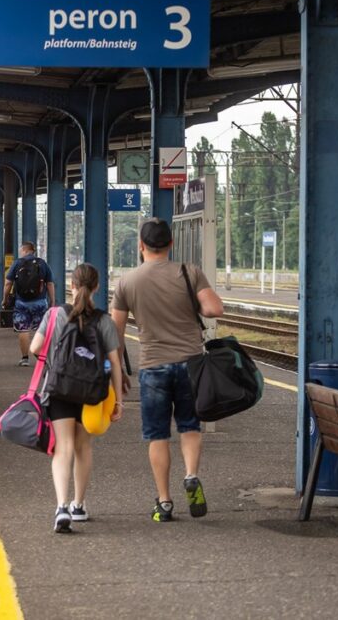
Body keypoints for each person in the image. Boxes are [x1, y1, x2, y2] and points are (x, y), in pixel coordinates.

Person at [110, 218, 224, 523]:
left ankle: (164, 502)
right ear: (170, 244)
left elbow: (115, 333)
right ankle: (191, 475)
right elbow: (214, 309)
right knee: (189, 426)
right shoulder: (189, 272)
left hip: (152, 366)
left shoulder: (127, 282)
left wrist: (118, 374)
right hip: (190, 364)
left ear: (141, 246)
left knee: (158, 435)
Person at [31, 263, 124, 533]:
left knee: (64, 447)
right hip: (91, 392)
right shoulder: (104, 321)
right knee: (83, 447)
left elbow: (35, 347)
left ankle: (61, 506)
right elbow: (115, 363)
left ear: (71, 285)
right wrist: (118, 401)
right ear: (97, 287)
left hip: (59, 389)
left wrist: (56, 363)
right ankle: (79, 506)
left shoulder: (54, 314)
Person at [3, 242, 56, 367]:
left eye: (21, 250)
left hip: (21, 302)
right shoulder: (42, 263)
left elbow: (8, 283)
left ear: (25, 250)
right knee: (40, 329)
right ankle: (42, 356)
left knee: (23, 329)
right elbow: (50, 284)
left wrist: (5, 299)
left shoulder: (17, 263)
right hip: (40, 302)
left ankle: (25, 358)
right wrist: (52, 300)